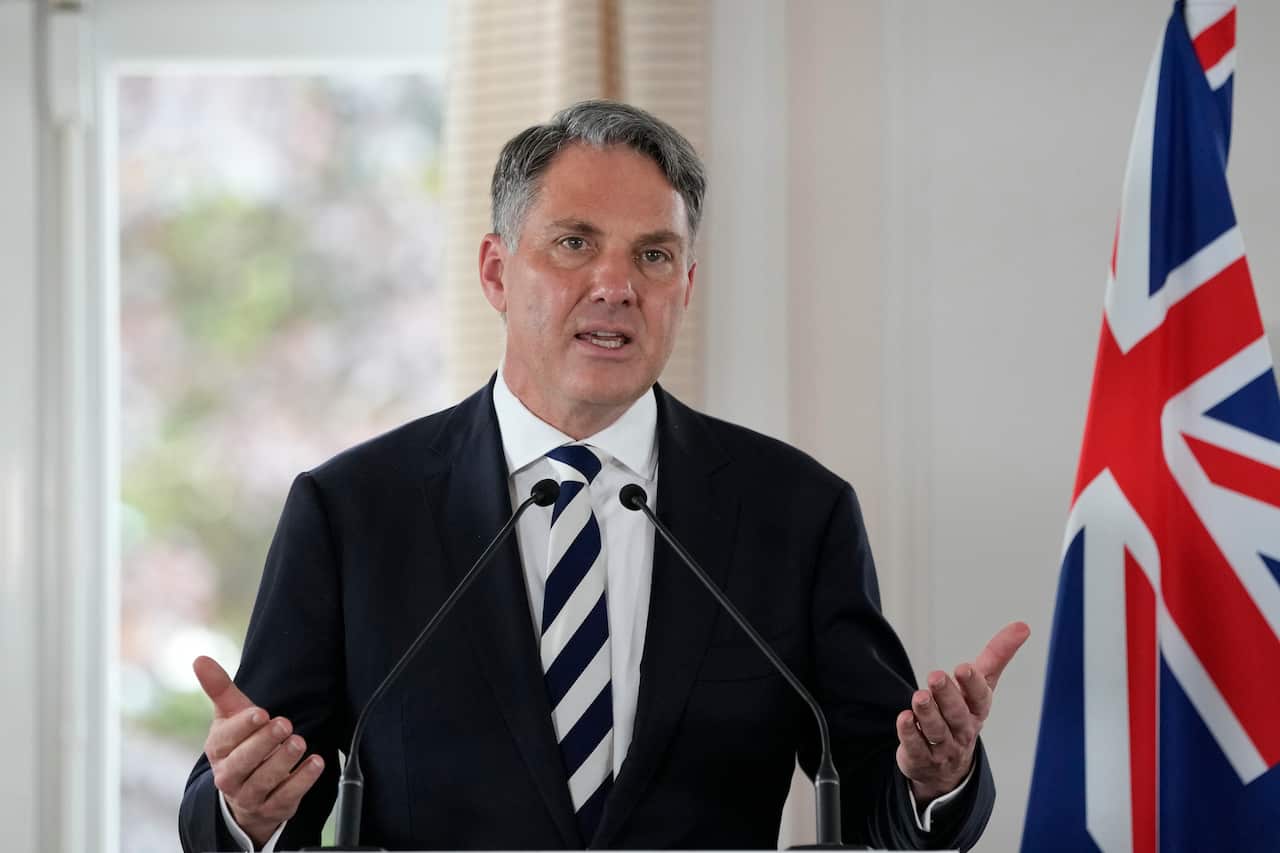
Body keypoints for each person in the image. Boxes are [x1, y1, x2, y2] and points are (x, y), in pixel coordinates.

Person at [179, 100, 1028, 852]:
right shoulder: (352, 513)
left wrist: (933, 779)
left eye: (654, 255)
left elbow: (880, 798)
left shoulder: (796, 513)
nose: (616, 285)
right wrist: (248, 813)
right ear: (496, 273)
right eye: (575, 243)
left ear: (685, 287)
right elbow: (254, 798)